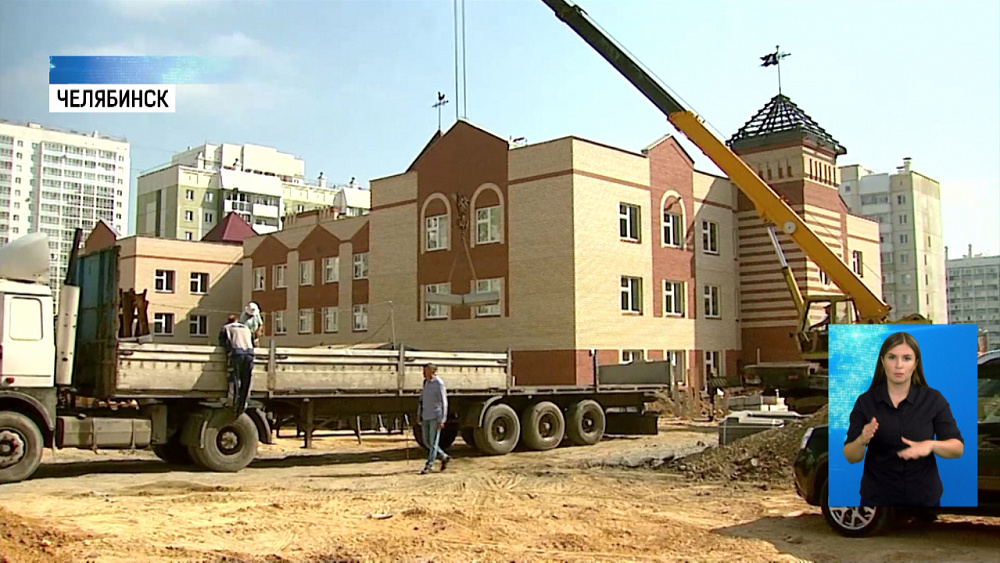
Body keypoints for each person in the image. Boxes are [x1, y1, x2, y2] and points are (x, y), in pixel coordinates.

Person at [843, 331, 964, 507]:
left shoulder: (933, 400)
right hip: (878, 502)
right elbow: (851, 457)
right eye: (892, 357)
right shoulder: (865, 402)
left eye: (906, 358)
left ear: (915, 364)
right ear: (882, 361)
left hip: (924, 500)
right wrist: (861, 440)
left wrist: (931, 445)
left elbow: (957, 448)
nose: (898, 365)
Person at [416, 363, 451, 474]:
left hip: (435, 416)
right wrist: (419, 414)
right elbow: (421, 400)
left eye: (425, 371)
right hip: (426, 415)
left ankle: (429, 465)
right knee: (426, 441)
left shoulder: (439, 383)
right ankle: (444, 457)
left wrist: (442, 419)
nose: (423, 373)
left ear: (431, 371)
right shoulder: (425, 383)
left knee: (433, 442)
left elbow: (444, 402)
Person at [219, 314, 255, 416]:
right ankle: (244, 403)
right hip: (249, 354)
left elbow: (222, 342)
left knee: (235, 378)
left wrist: (228, 351)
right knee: (246, 380)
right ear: (237, 320)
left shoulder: (226, 328)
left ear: (228, 321)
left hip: (237, 353)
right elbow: (252, 341)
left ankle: (233, 404)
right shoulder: (246, 328)